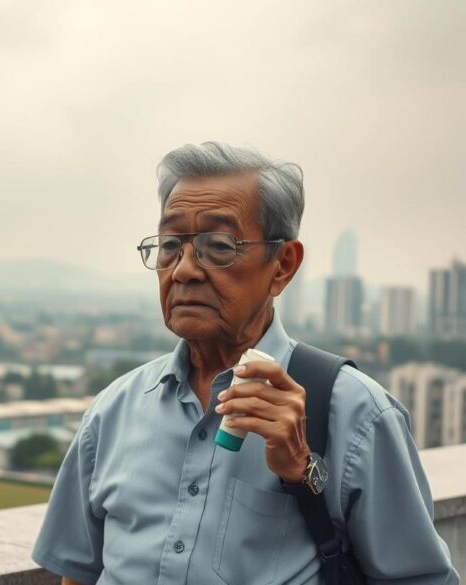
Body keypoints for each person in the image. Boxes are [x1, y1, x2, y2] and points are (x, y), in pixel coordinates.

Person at [32, 142, 459, 584]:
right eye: (171, 245)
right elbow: (77, 574)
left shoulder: (357, 414)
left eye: (218, 246)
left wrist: (305, 469)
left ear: (282, 265)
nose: (183, 270)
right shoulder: (114, 410)